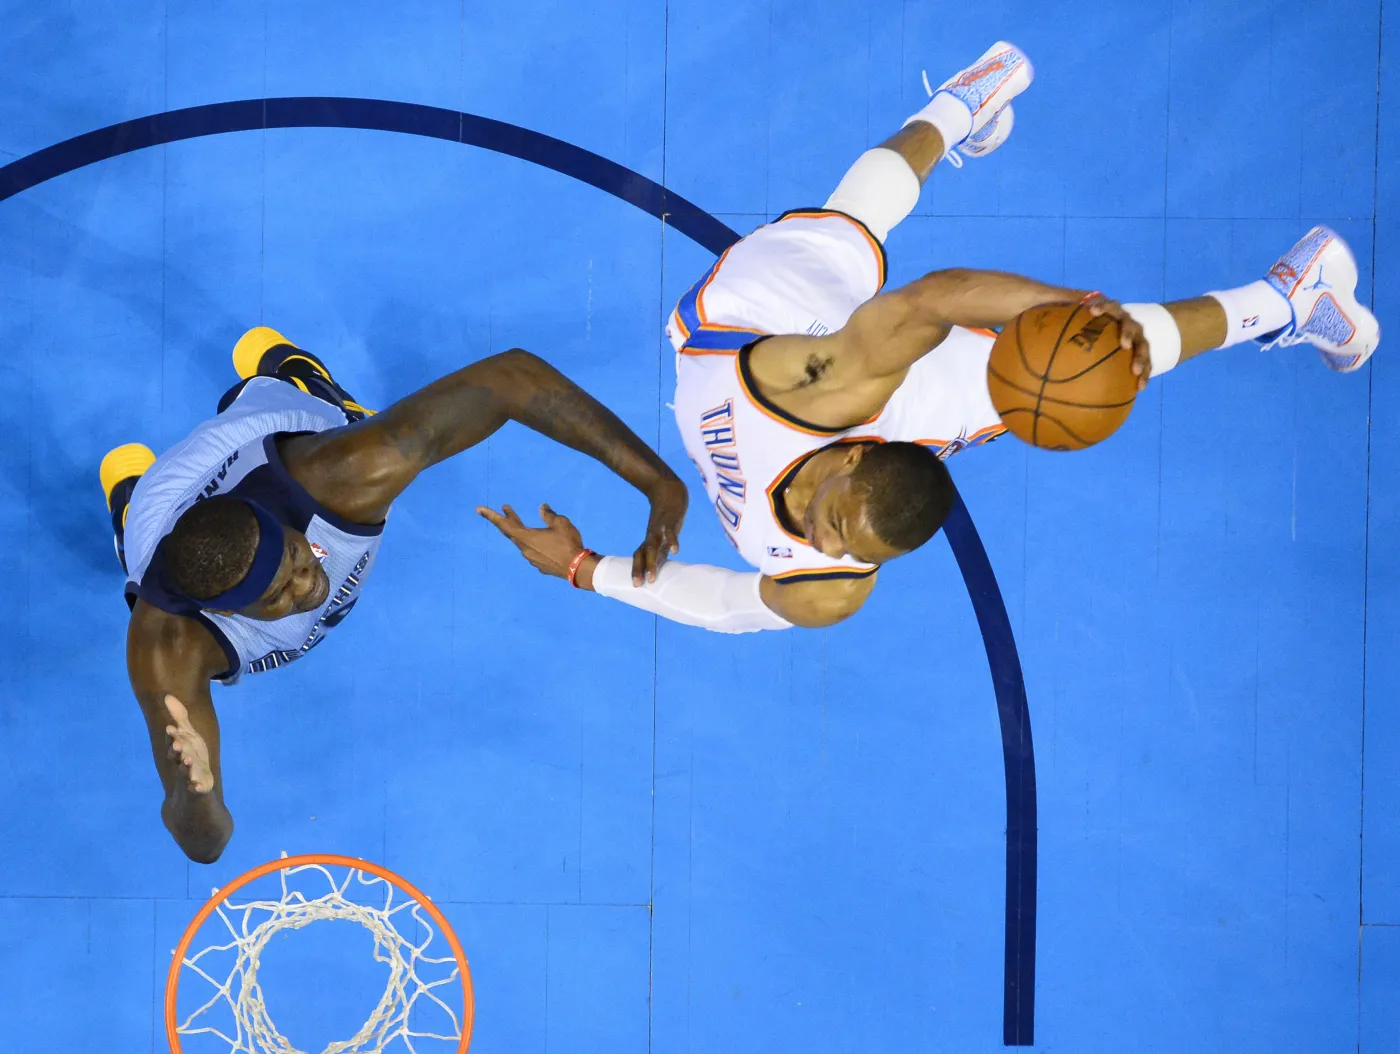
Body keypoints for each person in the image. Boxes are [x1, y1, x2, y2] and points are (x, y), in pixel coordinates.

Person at [480, 40, 1380, 633]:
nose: (829, 542)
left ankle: (1287, 292)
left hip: (754, 370)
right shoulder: (834, 382)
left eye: (849, 548)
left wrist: (586, 569)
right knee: (896, 256)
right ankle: (965, 105)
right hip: (753, 318)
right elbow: (934, 298)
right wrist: (1072, 304)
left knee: (1071, 368)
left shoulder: (834, 582)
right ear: (855, 454)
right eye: (840, 524)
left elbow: (724, 604)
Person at [101, 328, 687, 861]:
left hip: (270, 421)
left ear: (283, 525)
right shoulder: (168, 647)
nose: (309, 583)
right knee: (139, 542)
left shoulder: (346, 474)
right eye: (279, 594)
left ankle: (292, 370)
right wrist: (197, 794)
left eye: (298, 557)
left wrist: (660, 485)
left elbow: (512, 376)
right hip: (162, 509)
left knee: (326, 405)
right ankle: (129, 499)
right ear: (225, 611)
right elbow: (206, 842)